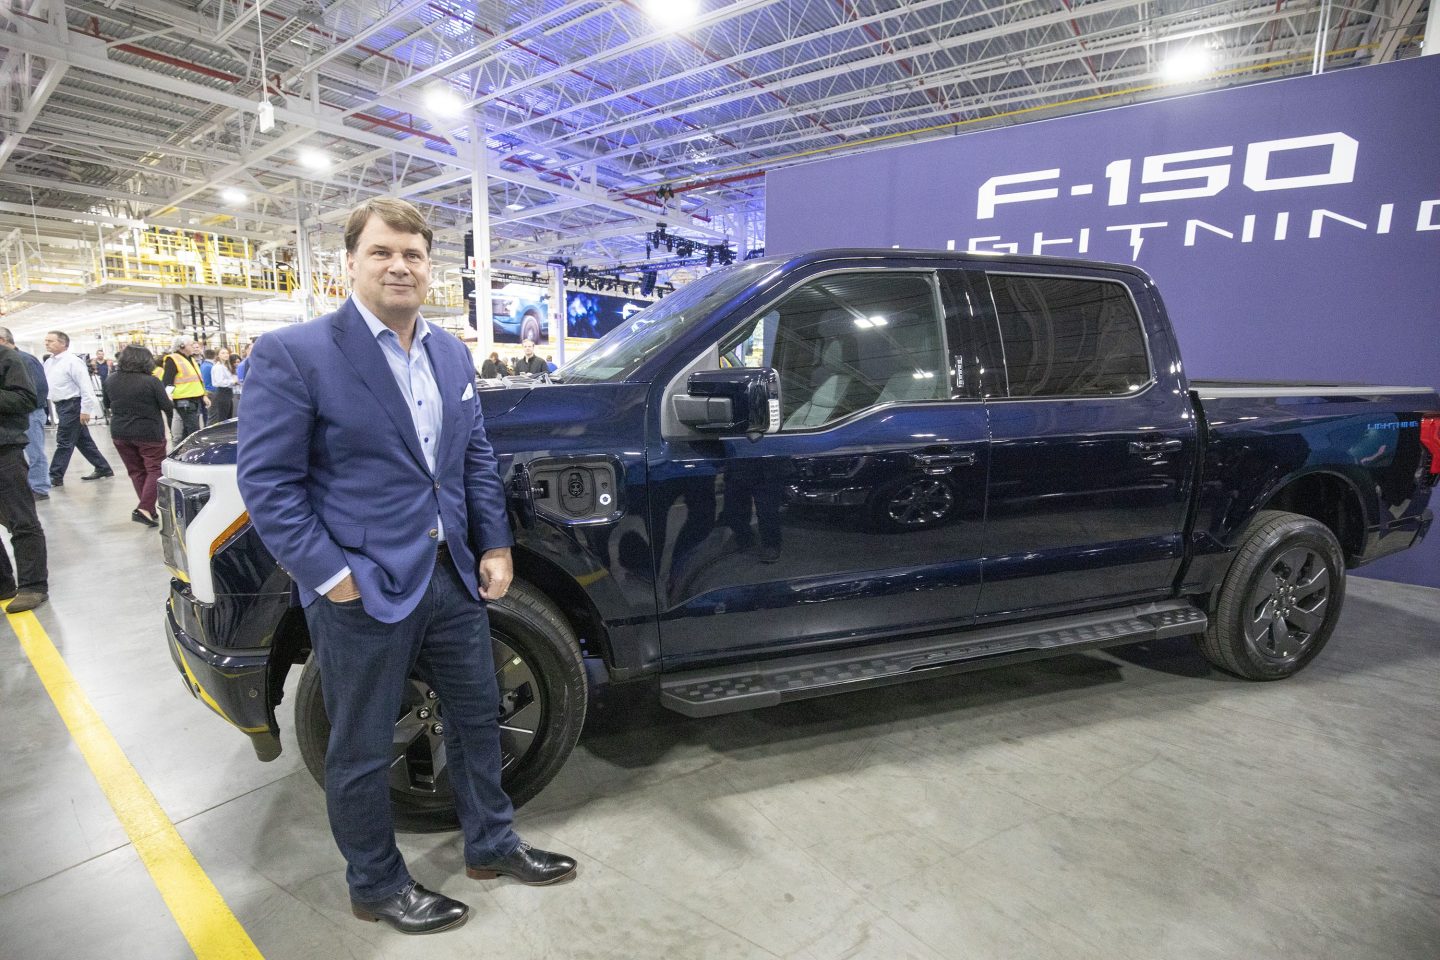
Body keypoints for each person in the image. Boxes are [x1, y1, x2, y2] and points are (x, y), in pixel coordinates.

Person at [237, 197, 576, 936]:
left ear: (431, 268)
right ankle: (376, 883)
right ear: (350, 263)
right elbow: (267, 483)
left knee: (478, 717)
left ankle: (492, 843)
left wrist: (493, 544)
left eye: (414, 255)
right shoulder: (294, 353)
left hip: (451, 574)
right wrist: (331, 574)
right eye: (383, 252)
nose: (400, 266)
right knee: (359, 746)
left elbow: (471, 457)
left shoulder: (450, 352)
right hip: (359, 588)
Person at [0, 334, 48, 612]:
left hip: (4, 449)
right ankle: (3, 583)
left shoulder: (8, 358)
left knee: (21, 520)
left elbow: (26, 399)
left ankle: (33, 585)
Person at [103, 345, 173, 527]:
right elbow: (166, 406)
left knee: (136, 471)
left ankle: (148, 510)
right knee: (156, 469)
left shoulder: (110, 380)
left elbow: (107, 403)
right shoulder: (151, 381)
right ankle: (144, 508)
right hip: (148, 432)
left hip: (120, 432)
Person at [43, 330, 113, 486]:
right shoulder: (49, 362)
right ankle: (103, 468)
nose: (47, 343)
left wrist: (85, 410)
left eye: (51, 341)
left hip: (72, 405)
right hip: (61, 406)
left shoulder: (72, 361)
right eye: (46, 340)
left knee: (64, 441)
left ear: (63, 343)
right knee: (82, 441)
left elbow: (85, 386)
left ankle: (55, 476)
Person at [0, 329, 51, 500]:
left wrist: (29, 409)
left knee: (35, 451)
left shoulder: (24, 359)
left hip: (31, 413)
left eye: (50, 341)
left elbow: (39, 389)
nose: (47, 344)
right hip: (16, 414)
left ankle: (40, 487)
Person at [162, 338, 209, 441]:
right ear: (182, 346)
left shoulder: (190, 359)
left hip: (195, 398)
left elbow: (198, 379)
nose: (193, 347)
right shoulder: (173, 359)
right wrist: (168, 398)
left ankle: (183, 452)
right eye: (191, 344)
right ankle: (193, 450)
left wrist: (204, 395)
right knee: (194, 428)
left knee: (188, 429)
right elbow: (168, 381)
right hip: (183, 400)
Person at [210, 348, 237, 421]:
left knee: (228, 415)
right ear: (218, 355)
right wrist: (233, 381)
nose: (226, 355)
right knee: (222, 417)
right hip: (222, 393)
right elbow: (220, 382)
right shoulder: (218, 367)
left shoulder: (226, 366)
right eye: (223, 353)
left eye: (227, 353)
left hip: (228, 392)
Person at [199, 348, 216, 424]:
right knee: (213, 415)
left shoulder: (203, 365)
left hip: (206, 391)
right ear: (215, 356)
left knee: (208, 414)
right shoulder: (211, 367)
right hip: (211, 391)